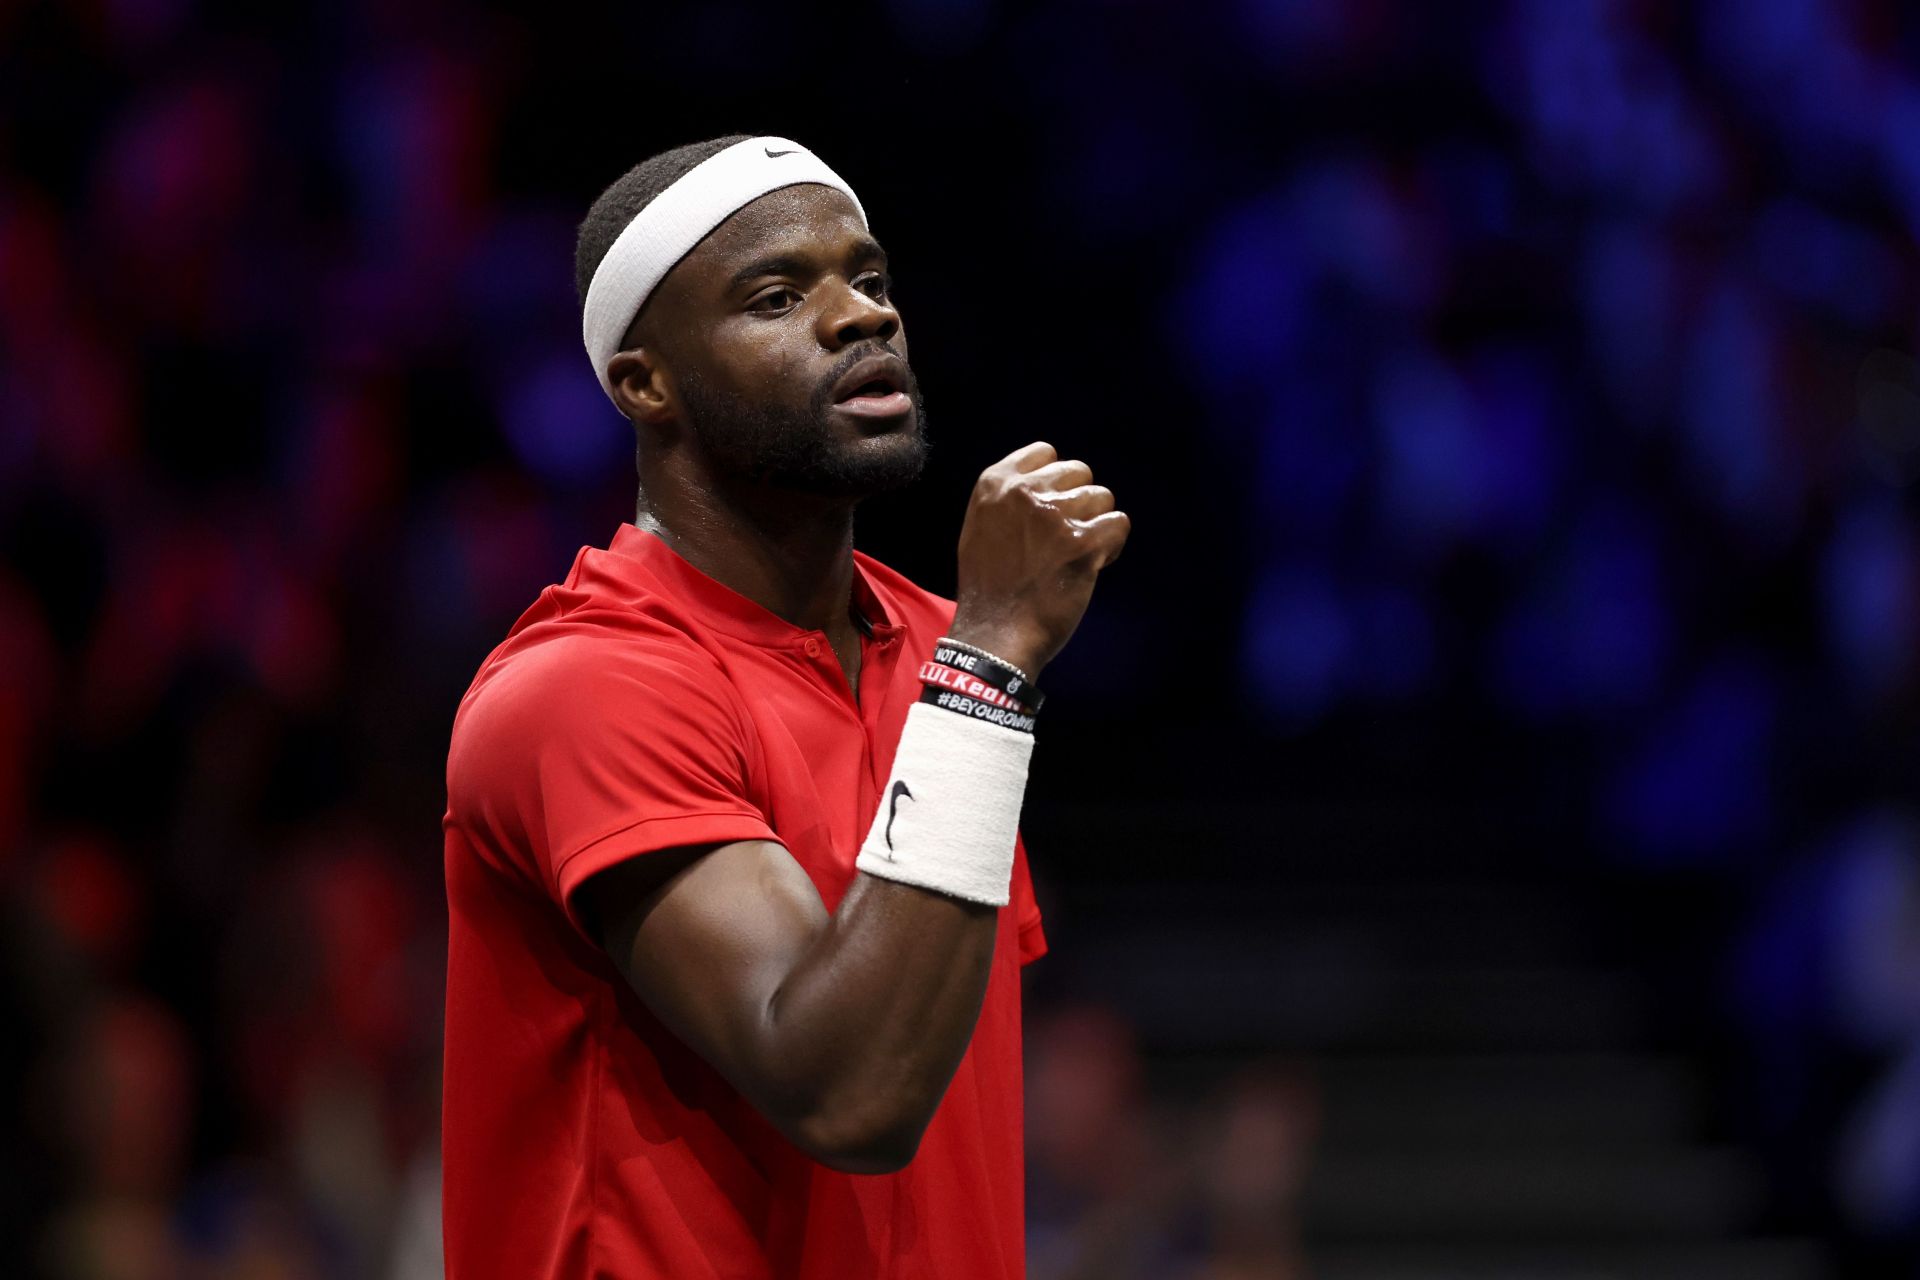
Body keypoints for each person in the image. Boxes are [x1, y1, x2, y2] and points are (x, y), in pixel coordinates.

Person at [439, 134, 1130, 1278]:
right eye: (776, 294)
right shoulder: (585, 685)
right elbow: (844, 1087)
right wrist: (995, 657)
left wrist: (973, 662)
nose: (863, 317)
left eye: (869, 279)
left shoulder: (933, 653)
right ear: (643, 382)